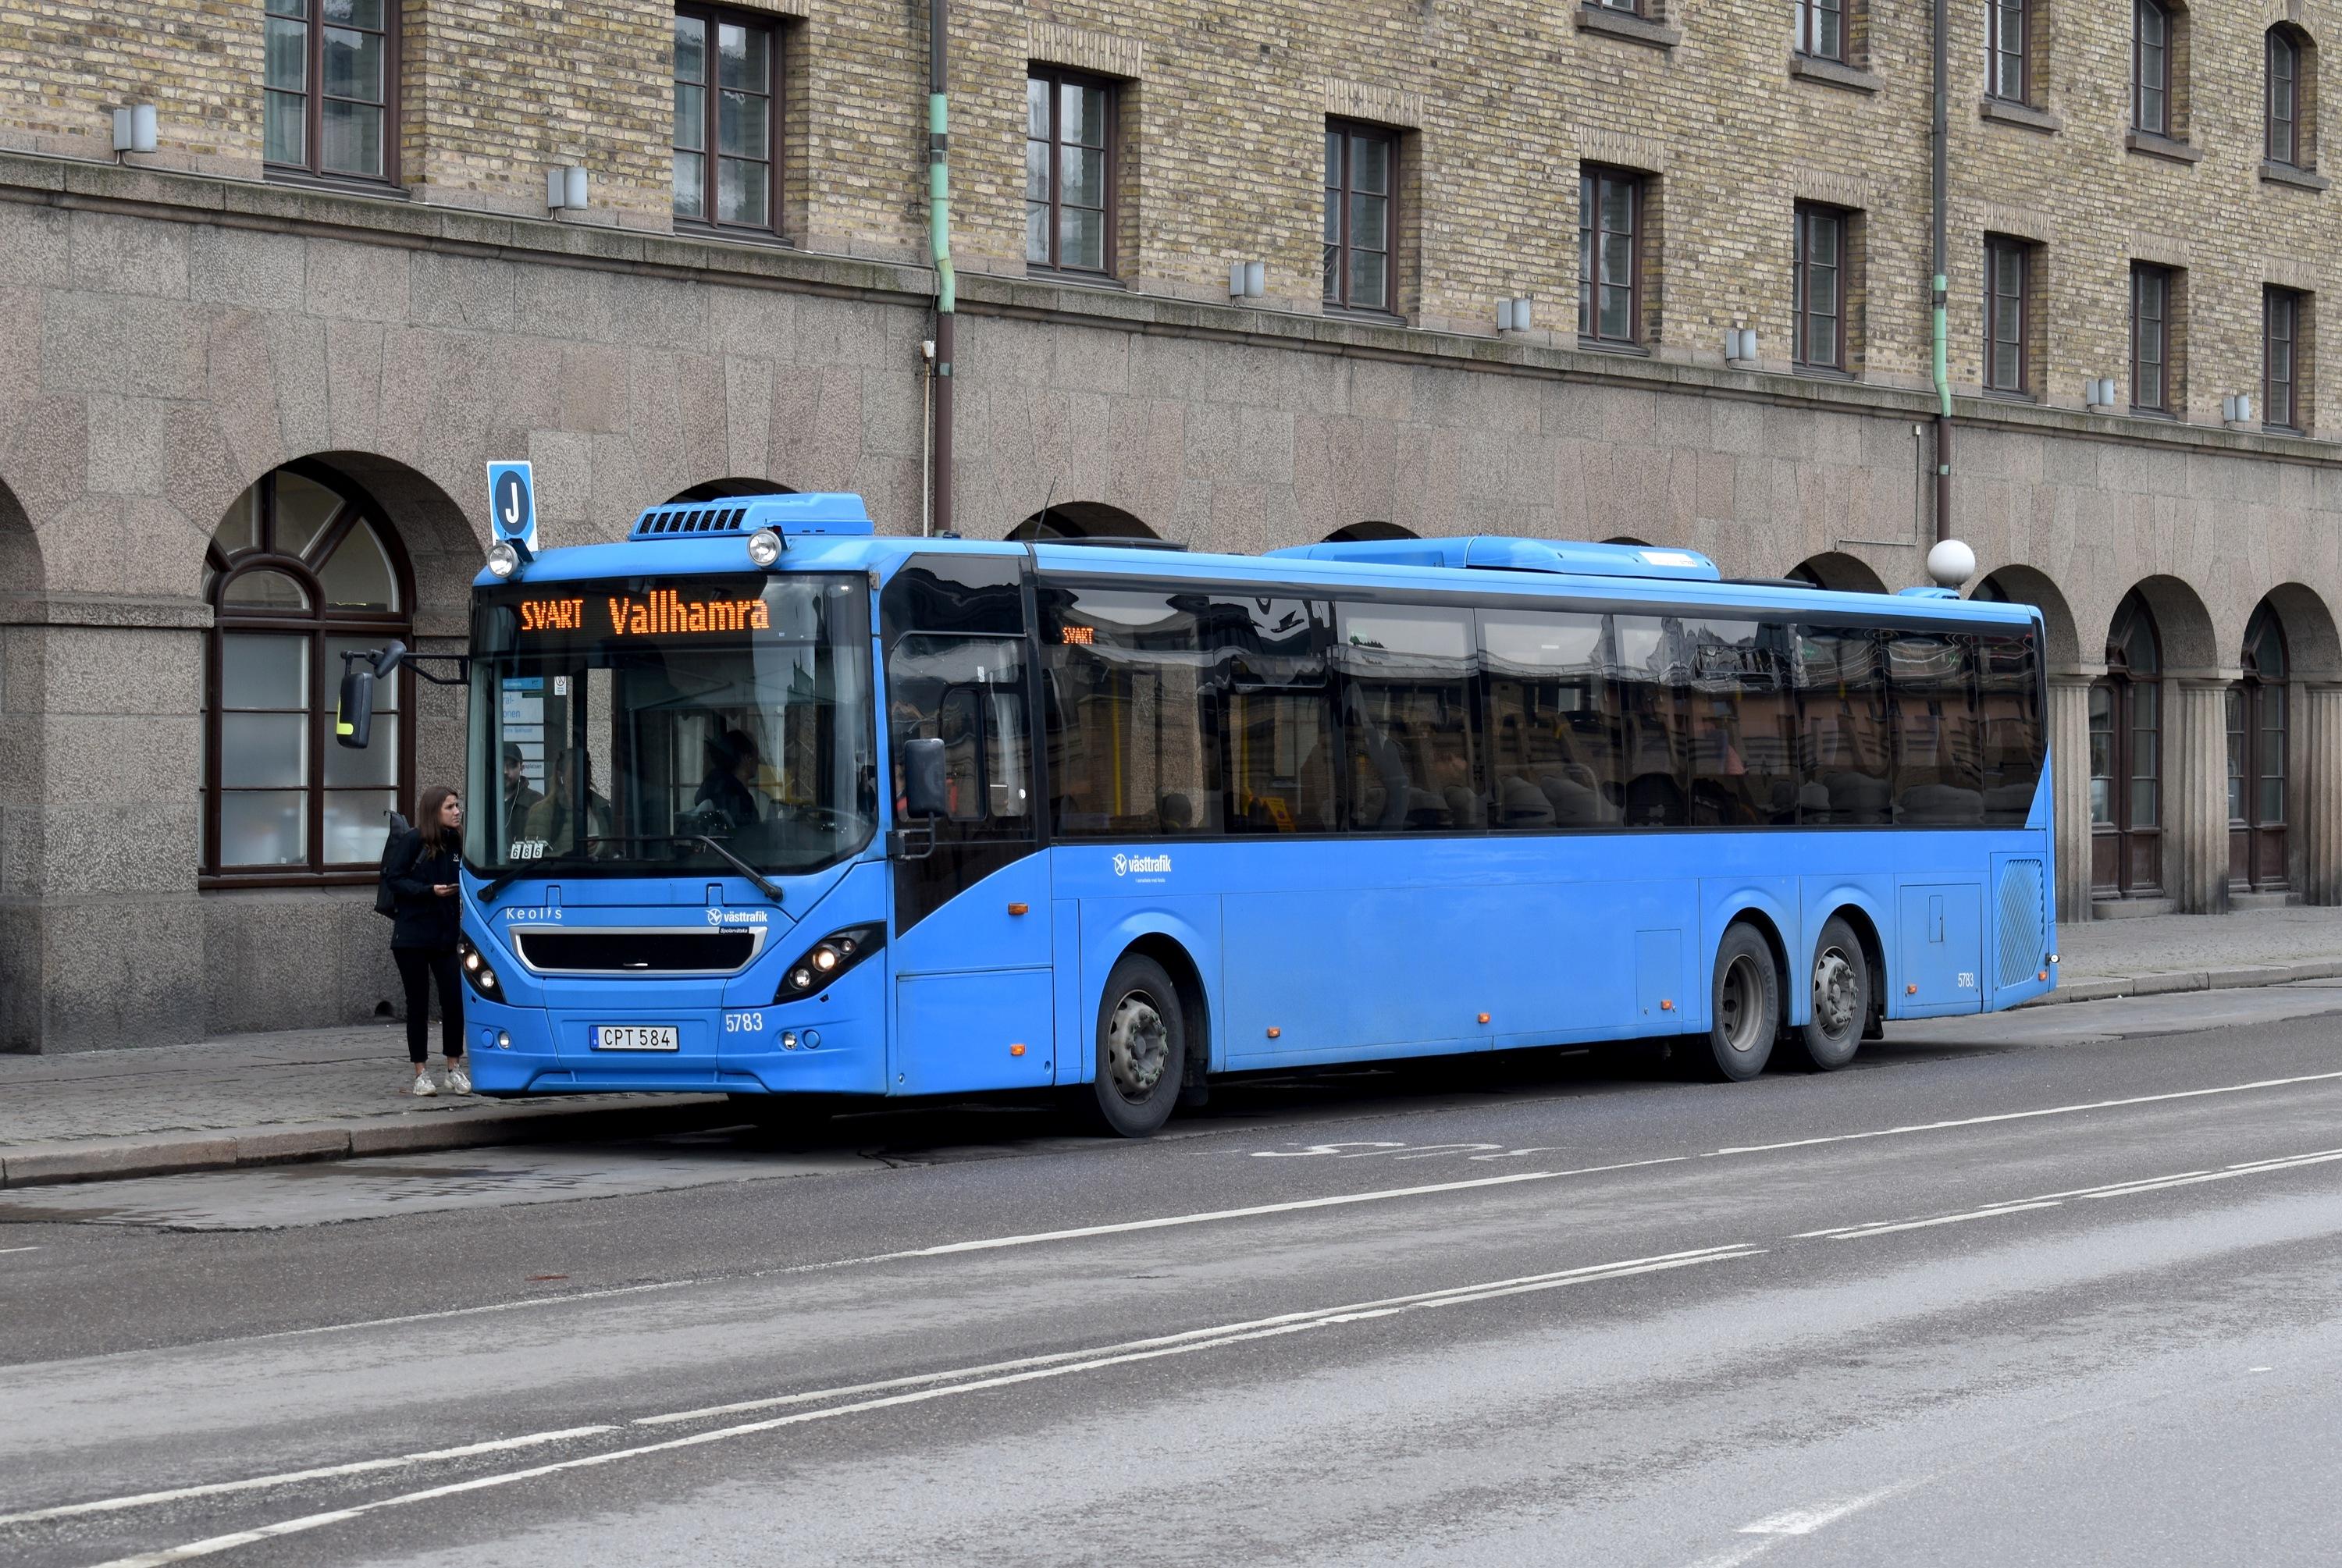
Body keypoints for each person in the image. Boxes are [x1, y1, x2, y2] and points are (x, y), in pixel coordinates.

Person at [386, 784, 468, 1097]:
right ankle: (420, 1073)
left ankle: (453, 1068)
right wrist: (428, 891)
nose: (457, 812)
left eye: (457, 805)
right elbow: (394, 879)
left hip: (445, 936)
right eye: (450, 807)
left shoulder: (456, 842)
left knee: (454, 1001)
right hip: (412, 938)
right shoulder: (414, 840)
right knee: (418, 1004)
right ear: (435, 811)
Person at [525, 748, 613, 858]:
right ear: (560, 775)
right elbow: (536, 858)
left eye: (586, 769)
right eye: (575, 770)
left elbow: (612, 848)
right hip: (563, 868)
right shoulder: (543, 812)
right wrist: (574, 852)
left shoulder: (602, 807)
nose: (583, 775)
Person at [695, 728, 765, 829]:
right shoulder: (736, 798)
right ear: (747, 758)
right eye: (755, 756)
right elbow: (748, 833)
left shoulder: (711, 786)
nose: (758, 762)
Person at [500, 743, 541, 841]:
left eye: (511, 766)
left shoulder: (536, 802)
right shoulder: (483, 801)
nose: (505, 771)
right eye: (500, 765)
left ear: (521, 769)